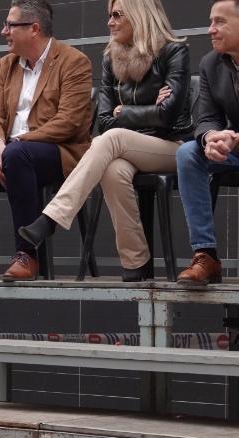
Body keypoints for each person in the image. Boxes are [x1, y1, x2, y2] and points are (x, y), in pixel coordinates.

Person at [17, 0, 191, 281]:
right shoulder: (112, 58)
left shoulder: (173, 52)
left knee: (111, 140)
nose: (109, 22)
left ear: (139, 14)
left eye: (116, 15)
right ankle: (136, 261)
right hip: (126, 147)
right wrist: (143, 112)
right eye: (108, 15)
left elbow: (168, 116)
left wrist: (125, 111)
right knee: (112, 169)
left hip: (171, 146)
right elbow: (105, 120)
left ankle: (51, 219)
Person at [0, 0, 93, 281]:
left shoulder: (74, 61)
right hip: (11, 153)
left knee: (17, 155)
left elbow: (69, 122)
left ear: (34, 28)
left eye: (10, 25)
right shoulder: (6, 64)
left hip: (58, 152)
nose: (3, 31)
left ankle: (27, 254)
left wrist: (15, 144)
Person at [174, 0, 239, 286]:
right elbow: (207, 117)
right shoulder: (211, 63)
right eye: (210, 21)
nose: (210, 29)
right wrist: (211, 138)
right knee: (189, 152)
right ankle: (206, 254)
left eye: (219, 22)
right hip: (233, 147)